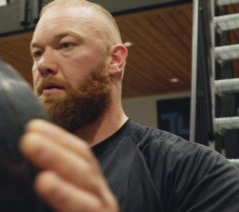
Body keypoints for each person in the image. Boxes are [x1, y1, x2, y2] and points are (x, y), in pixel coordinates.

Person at [19, 0, 239, 211]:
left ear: (115, 59)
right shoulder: (16, 172)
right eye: (37, 53)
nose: (43, 65)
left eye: (66, 45)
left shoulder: (195, 172)